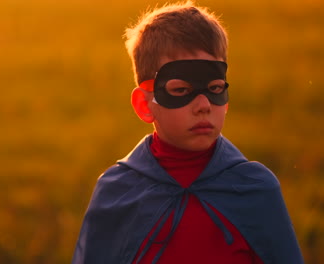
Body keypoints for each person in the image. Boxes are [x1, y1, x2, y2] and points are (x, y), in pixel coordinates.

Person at [72, 1, 304, 264]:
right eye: (181, 90)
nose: (204, 105)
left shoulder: (255, 189)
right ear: (144, 105)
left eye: (215, 89)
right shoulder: (118, 193)